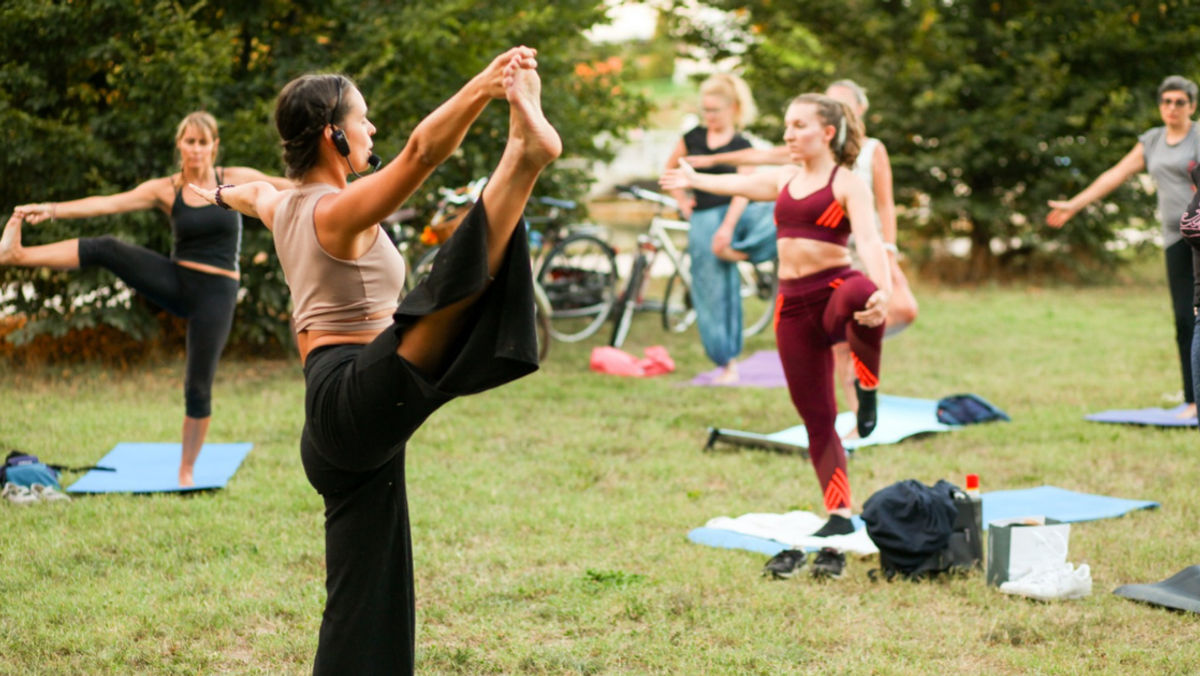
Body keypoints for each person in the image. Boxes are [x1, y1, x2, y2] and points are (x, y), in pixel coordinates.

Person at [188, 48, 559, 673]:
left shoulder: (285, 206)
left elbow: (254, 193)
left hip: (342, 427)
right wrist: (483, 85)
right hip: (350, 399)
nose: (371, 130)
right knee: (439, 306)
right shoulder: (336, 213)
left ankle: (521, 162)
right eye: (362, 120)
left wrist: (220, 194)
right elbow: (419, 153)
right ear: (334, 135)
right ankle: (521, 163)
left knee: (371, 598)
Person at [662, 93, 892, 578]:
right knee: (816, 417)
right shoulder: (785, 179)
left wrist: (885, 293)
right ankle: (838, 513)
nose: (788, 134)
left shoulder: (846, 182)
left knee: (864, 292)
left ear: (827, 132)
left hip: (834, 292)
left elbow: (869, 240)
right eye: (787, 125)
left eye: (799, 125)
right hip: (793, 306)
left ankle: (867, 388)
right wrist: (693, 178)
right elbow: (743, 181)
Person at [0, 112, 292, 487]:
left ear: (214, 146)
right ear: (180, 145)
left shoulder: (234, 178)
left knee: (198, 385)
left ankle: (186, 470)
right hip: (176, 279)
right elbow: (107, 204)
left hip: (216, 294)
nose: (197, 149)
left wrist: (343, 190)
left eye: (204, 142)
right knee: (106, 246)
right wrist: (52, 209)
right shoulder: (166, 189)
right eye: (190, 141)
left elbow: (289, 185)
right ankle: (17, 255)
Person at [686, 79, 917, 423]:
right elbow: (756, 158)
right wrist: (709, 161)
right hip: (832, 251)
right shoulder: (804, 152)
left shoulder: (871, 150)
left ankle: (858, 359)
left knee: (904, 309)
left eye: (843, 105)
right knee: (838, 343)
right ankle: (859, 413)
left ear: (858, 110)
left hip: (870, 246)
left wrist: (889, 249)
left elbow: (885, 205)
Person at [1047, 75, 1200, 419]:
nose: (1172, 108)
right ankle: (1193, 400)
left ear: (1191, 106)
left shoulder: (1198, 136)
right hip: (1177, 238)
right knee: (1184, 318)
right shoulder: (1152, 141)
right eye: (1166, 101)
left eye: (1180, 102)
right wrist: (1075, 204)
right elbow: (1115, 174)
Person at [662, 73, 777, 383]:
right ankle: (724, 361)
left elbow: (746, 189)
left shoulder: (742, 145)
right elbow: (669, 170)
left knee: (778, 214)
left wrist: (727, 229)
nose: (709, 116)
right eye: (705, 110)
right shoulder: (693, 138)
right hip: (702, 219)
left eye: (715, 110)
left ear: (734, 108)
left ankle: (742, 252)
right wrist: (683, 202)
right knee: (709, 290)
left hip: (734, 215)